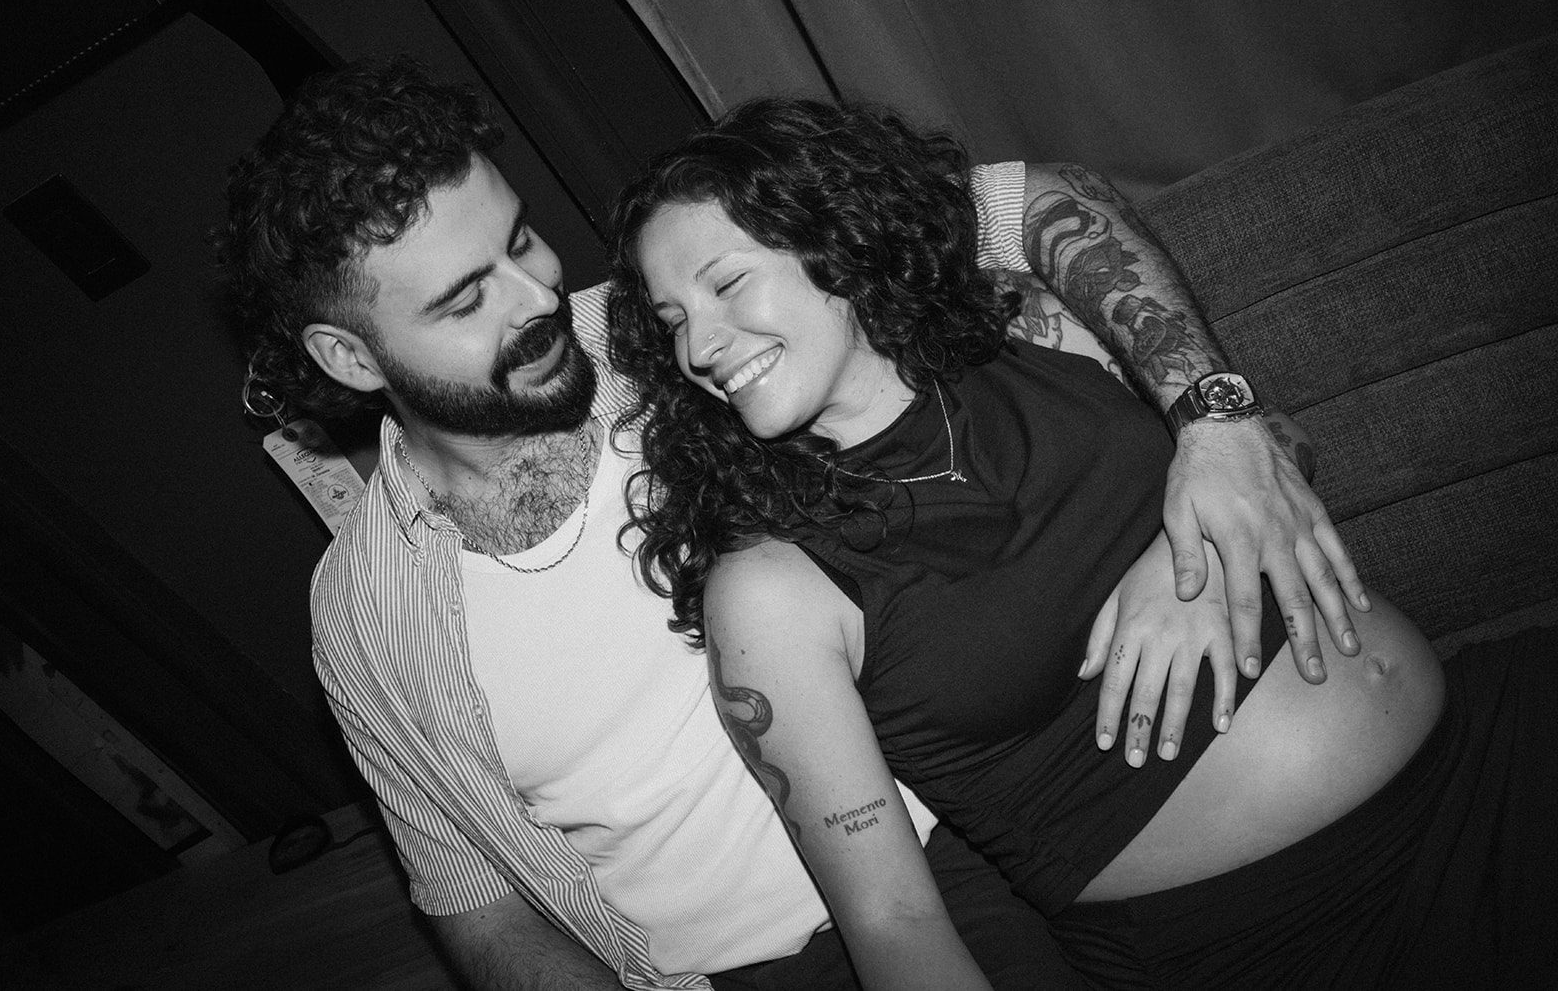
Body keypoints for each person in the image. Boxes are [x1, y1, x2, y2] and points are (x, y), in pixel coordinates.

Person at [221, 57, 1364, 991]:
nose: (534, 300)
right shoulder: (365, 616)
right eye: (464, 299)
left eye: (518, 241)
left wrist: (1216, 422)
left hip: (954, 852)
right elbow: (475, 906)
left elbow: (1035, 201)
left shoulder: (689, 322)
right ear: (349, 357)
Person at [605, 96, 1558, 988]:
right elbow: (895, 923)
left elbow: (1274, 458)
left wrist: (1190, 542)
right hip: (1277, 934)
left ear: (837, 243)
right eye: (674, 321)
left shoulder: (1023, 328)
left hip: (1483, 748)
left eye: (727, 282)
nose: (700, 347)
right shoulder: (769, 588)